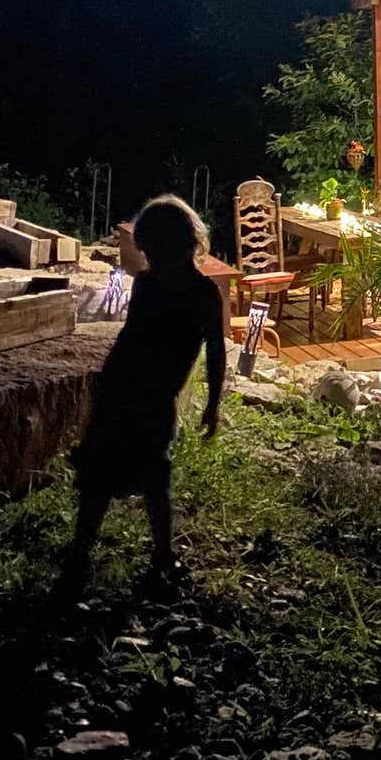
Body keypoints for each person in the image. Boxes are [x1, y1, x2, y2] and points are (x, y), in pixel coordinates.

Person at [65, 194, 226, 587]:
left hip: (136, 390)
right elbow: (215, 351)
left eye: (152, 250)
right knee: (138, 474)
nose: (150, 258)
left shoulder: (161, 286)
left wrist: (213, 404)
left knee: (127, 474)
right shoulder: (190, 291)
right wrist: (212, 404)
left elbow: (212, 350)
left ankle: (97, 552)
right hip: (141, 391)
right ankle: (156, 554)